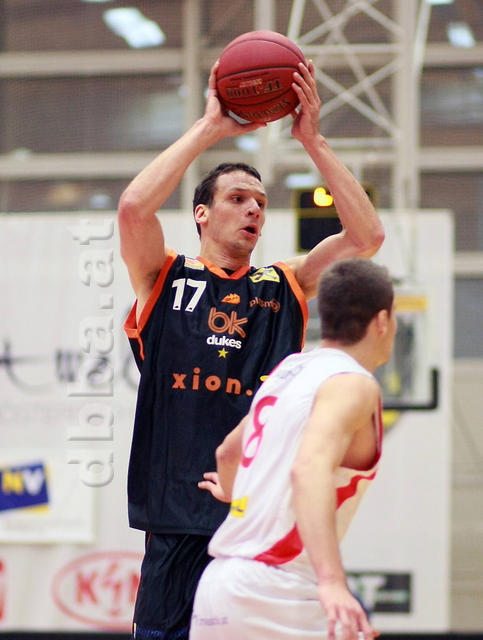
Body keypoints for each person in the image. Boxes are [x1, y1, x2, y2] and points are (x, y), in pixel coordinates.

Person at [118, 55, 384, 640]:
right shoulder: (163, 278)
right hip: (176, 518)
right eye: (238, 198)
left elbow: (366, 237)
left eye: (260, 202)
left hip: (254, 523)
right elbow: (134, 208)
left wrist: (311, 141)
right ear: (202, 213)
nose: (254, 209)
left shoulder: (284, 284)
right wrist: (210, 127)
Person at [191, 257, 396, 640]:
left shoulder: (288, 370)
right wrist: (332, 581)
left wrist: (243, 497)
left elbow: (227, 454)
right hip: (278, 588)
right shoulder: (353, 383)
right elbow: (308, 469)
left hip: (218, 587)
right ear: (383, 321)